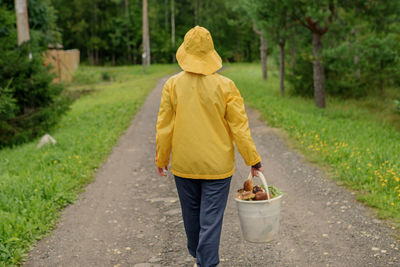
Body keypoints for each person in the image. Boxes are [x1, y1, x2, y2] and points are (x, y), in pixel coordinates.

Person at [155, 26, 263, 267]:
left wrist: (162, 158)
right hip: (217, 168)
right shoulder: (226, 86)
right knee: (211, 220)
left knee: (191, 217)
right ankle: (206, 262)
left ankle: (199, 257)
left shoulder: (172, 85)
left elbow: (164, 127)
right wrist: (253, 159)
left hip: (184, 166)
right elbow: (240, 128)